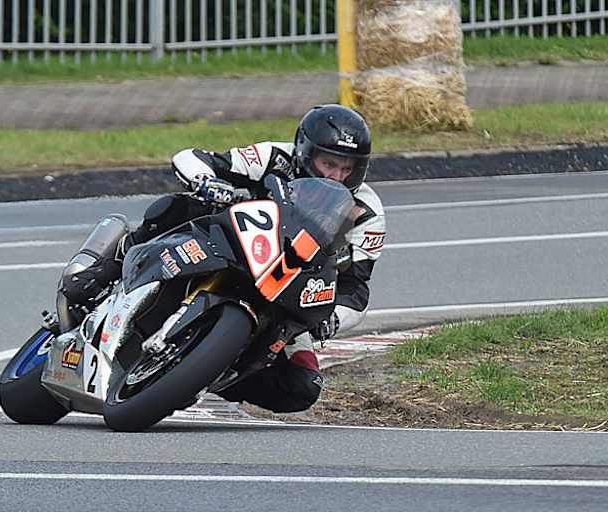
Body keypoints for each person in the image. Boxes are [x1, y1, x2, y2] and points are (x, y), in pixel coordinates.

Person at [57, 104, 386, 413]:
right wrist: (208, 182)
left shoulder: (367, 213)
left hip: (285, 287)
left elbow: (355, 290)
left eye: (348, 168)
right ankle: (106, 268)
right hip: (229, 241)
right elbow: (193, 158)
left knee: (303, 386)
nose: (337, 176)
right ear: (304, 151)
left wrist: (332, 319)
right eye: (329, 164)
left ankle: (201, 374)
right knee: (179, 206)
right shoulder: (273, 156)